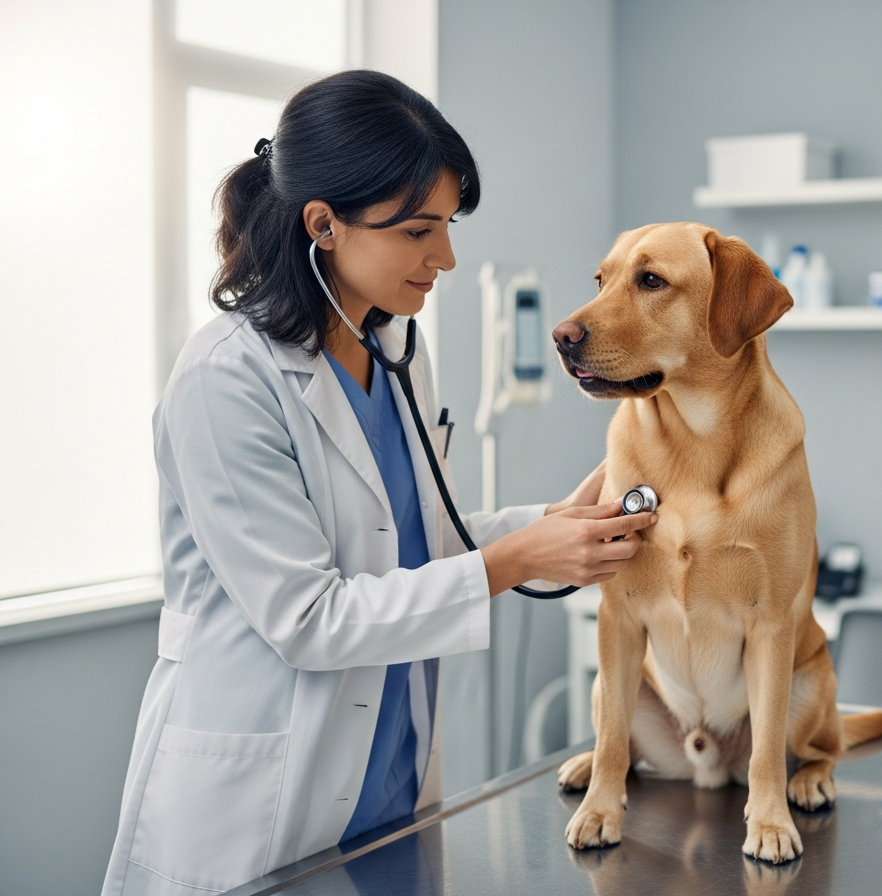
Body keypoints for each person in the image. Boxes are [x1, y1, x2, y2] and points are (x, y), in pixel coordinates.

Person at [101, 70, 655, 896]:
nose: (446, 257)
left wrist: (552, 523)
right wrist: (516, 559)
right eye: (418, 230)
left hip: (388, 778)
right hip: (260, 798)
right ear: (323, 224)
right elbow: (309, 618)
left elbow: (405, 539)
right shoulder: (225, 379)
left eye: (448, 225)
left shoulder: (394, 348)